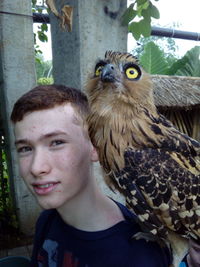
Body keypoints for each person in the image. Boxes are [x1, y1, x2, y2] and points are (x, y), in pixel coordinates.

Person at [11, 84, 172, 266]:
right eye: (25, 148)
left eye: (56, 142)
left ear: (95, 146)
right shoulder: (47, 220)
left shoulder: (141, 254)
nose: (36, 167)